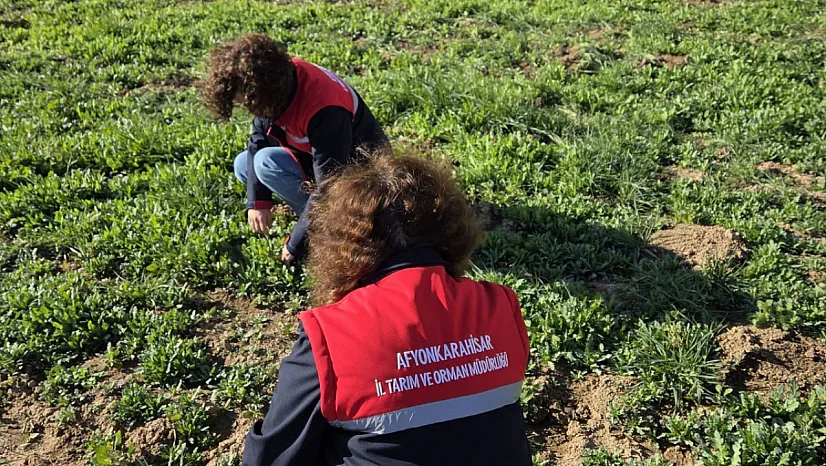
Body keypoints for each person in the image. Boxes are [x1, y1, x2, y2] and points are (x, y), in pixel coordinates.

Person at [242, 154, 532, 466]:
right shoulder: (500, 306)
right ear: (452, 230)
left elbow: (273, 455)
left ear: (340, 249)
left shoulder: (332, 334)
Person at [198, 34, 389, 262]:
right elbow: (258, 139)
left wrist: (296, 243)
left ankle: (329, 224)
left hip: (358, 177)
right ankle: (309, 212)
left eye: (245, 101)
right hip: (315, 158)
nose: (244, 107)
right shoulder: (277, 80)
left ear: (259, 91)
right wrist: (258, 203)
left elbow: (330, 185)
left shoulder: (326, 109)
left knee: (265, 164)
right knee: (243, 165)